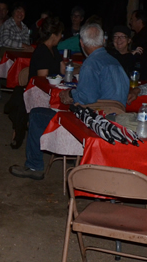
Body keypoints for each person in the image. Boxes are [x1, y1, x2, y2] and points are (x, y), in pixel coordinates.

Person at [10, 23, 128, 180]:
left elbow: (86, 98)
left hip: (92, 122)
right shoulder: (115, 62)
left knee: (37, 114)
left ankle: (34, 166)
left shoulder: (91, 64)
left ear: (82, 43)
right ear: (103, 41)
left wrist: (70, 94)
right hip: (115, 121)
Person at [5, 16, 64, 150]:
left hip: (51, 88)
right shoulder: (42, 51)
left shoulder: (53, 49)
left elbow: (63, 69)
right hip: (37, 91)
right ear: (53, 35)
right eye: (60, 34)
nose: (61, 37)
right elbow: (42, 79)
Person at [129, 9, 147, 77]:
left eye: (132, 20)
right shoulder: (140, 35)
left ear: (139, 21)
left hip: (143, 73)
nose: (130, 22)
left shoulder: (144, 37)